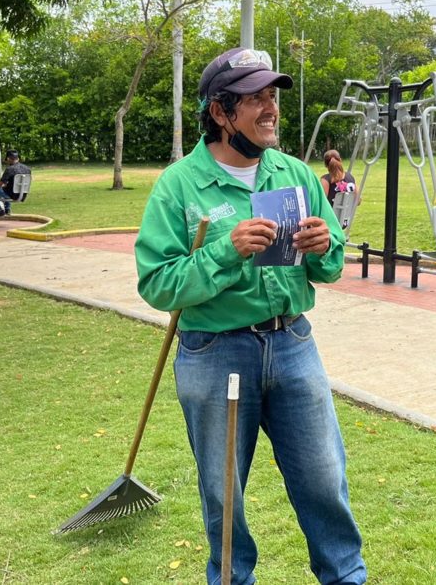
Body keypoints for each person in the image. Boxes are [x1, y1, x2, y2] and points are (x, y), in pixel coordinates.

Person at [135, 48, 366, 585]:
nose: (270, 109)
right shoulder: (179, 186)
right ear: (220, 112)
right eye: (255, 98)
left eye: (272, 96)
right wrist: (223, 251)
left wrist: (324, 243)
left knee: (325, 481)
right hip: (215, 354)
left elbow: (328, 268)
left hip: (293, 345)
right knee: (224, 494)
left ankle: (345, 578)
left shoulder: (294, 173)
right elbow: (157, 283)